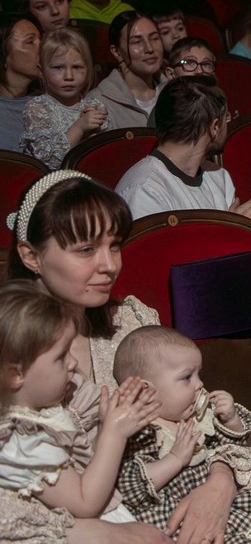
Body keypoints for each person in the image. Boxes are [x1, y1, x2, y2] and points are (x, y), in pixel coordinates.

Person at [5, 171, 238, 543]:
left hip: (169, 510)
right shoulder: (10, 352)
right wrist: (101, 533)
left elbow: (200, 412)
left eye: (114, 245)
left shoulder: (130, 323)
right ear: (31, 256)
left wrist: (219, 485)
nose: (109, 265)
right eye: (86, 250)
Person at [112, 326, 251, 540]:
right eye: (187, 377)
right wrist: (176, 459)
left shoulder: (200, 418)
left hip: (223, 514)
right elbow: (129, 487)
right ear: (145, 390)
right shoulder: (141, 430)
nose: (200, 384)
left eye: (198, 374)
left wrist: (230, 421)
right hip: (175, 524)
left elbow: (235, 451)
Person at [0, 280, 159, 521]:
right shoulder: (21, 443)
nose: (73, 363)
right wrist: (114, 435)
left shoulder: (44, 414)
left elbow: (84, 469)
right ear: (16, 375)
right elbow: (84, 502)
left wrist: (104, 428)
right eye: (61, 357)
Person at [115, 75, 251, 228]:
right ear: (214, 127)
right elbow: (164, 252)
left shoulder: (218, 176)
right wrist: (234, 230)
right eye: (226, 118)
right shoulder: (144, 190)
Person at [20, 28, 108, 168]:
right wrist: (79, 128)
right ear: (41, 71)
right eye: (58, 67)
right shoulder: (37, 108)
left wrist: (94, 133)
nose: (69, 76)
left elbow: (104, 154)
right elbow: (48, 162)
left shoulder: (94, 105)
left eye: (77, 67)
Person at [86, 12, 167, 129]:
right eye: (136, 42)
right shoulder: (99, 102)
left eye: (154, 38)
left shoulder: (176, 92)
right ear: (116, 52)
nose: (149, 48)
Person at [0, 15, 42, 151]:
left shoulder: (46, 102)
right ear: (4, 55)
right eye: (30, 41)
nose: (43, 47)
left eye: (41, 39)